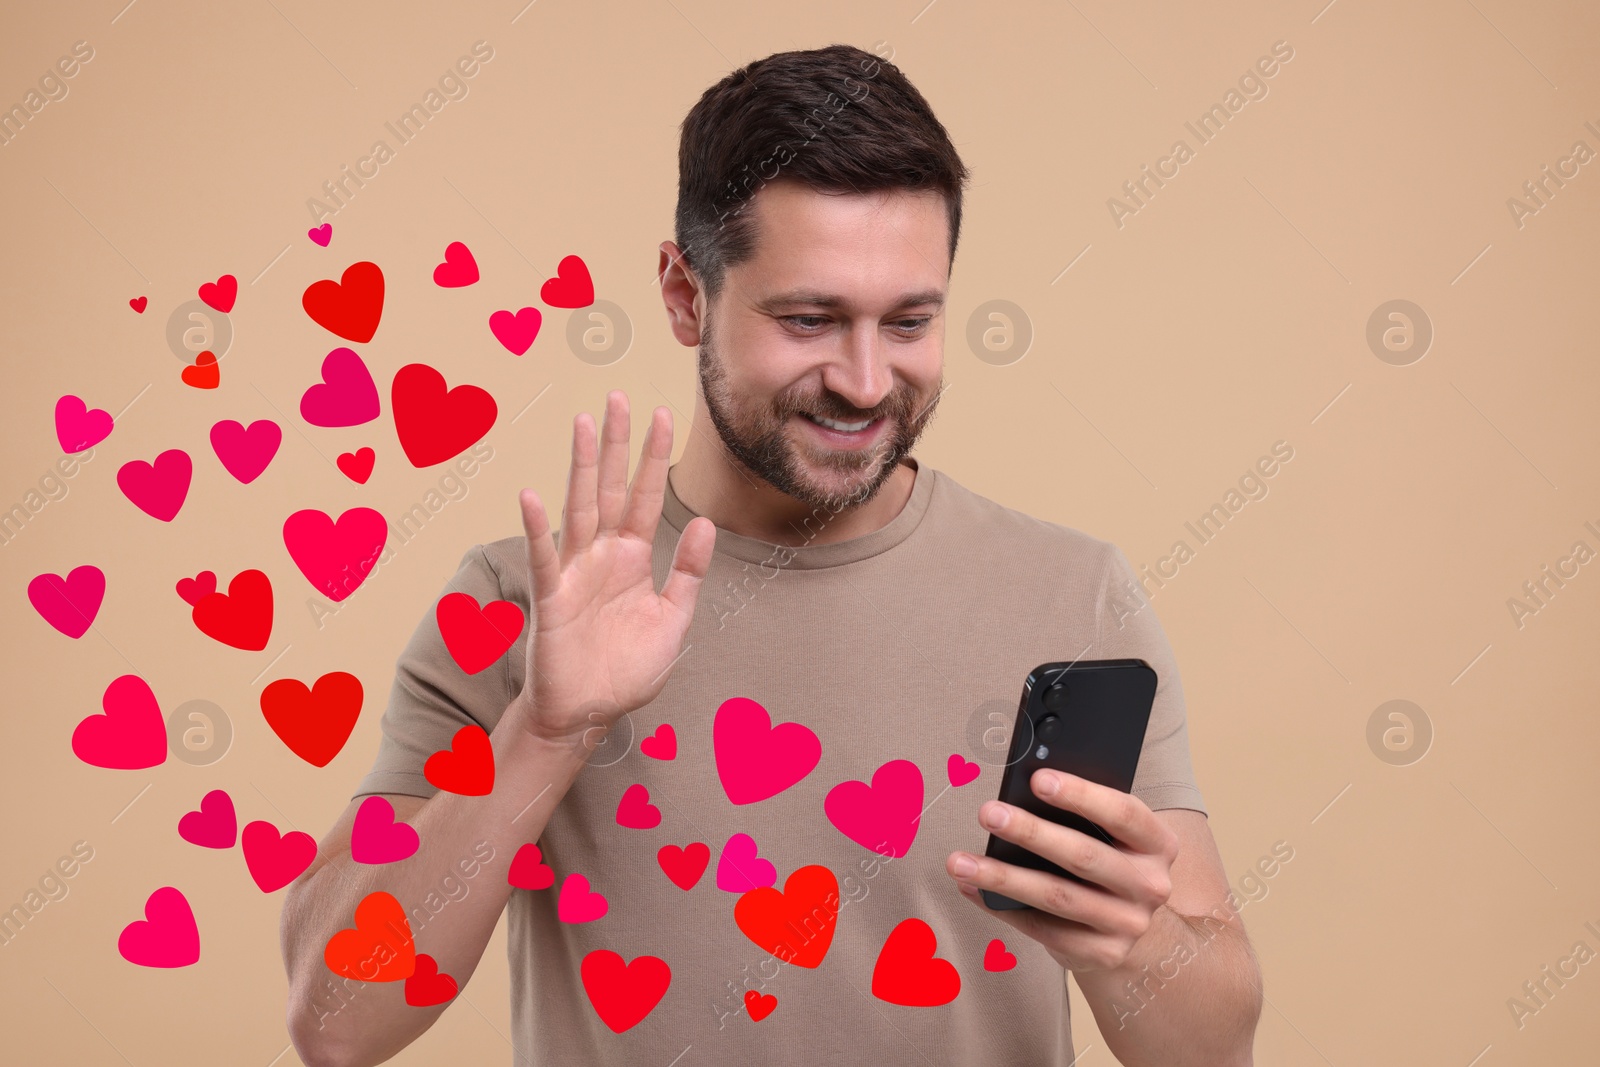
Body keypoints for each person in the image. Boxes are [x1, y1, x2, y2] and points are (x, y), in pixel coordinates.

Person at [282, 42, 1262, 1067]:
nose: (866, 379)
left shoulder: (1070, 594)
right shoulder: (520, 600)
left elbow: (1213, 1048)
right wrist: (549, 726)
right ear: (682, 292)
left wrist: (1131, 941)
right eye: (809, 318)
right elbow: (337, 1020)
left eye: (910, 320)